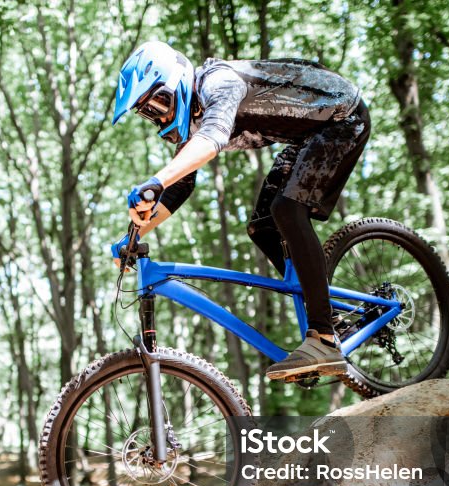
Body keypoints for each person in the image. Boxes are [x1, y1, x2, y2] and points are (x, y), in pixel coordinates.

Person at [110, 40, 371, 380]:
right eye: (148, 112)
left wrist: (155, 181)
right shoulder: (196, 116)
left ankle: (323, 338)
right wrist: (133, 236)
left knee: (287, 210)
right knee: (263, 226)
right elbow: (181, 186)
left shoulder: (219, 82)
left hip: (342, 118)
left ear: (178, 81)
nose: (159, 116)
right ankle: (327, 309)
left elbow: (213, 140)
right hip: (307, 137)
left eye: (160, 102)